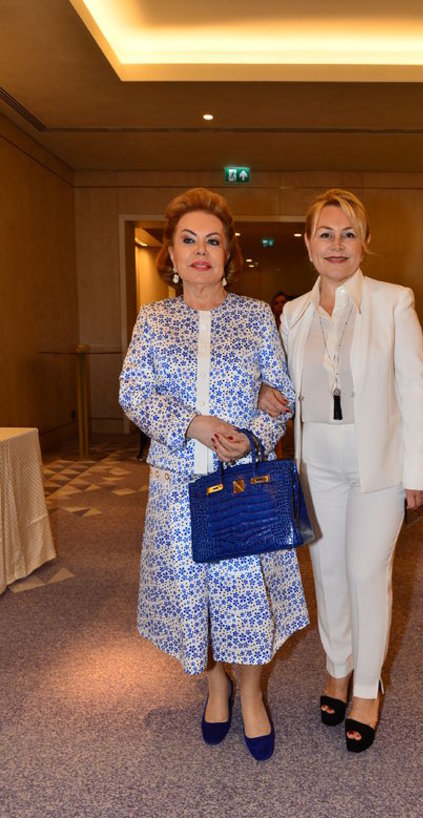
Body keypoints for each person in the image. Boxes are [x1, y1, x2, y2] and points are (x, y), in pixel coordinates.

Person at [119, 187, 309, 761]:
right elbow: (134, 391)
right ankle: (215, 685)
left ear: (229, 254)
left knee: (246, 596)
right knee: (191, 593)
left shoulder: (254, 316)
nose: (201, 251)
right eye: (189, 240)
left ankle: (250, 693)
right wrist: (192, 424)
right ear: (172, 256)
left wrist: (253, 434)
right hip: (177, 485)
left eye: (213, 241)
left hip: (241, 485)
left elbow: (283, 395)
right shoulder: (153, 320)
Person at [258, 188, 423, 753]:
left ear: (365, 243)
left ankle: (365, 687)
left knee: (365, 572)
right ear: (308, 245)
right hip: (318, 463)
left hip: (377, 461)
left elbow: (414, 387)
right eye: (326, 234)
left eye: (349, 233)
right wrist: (262, 393)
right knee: (328, 572)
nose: (337, 245)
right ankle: (337, 667)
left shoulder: (393, 302)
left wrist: (418, 469)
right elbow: (281, 383)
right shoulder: (293, 313)